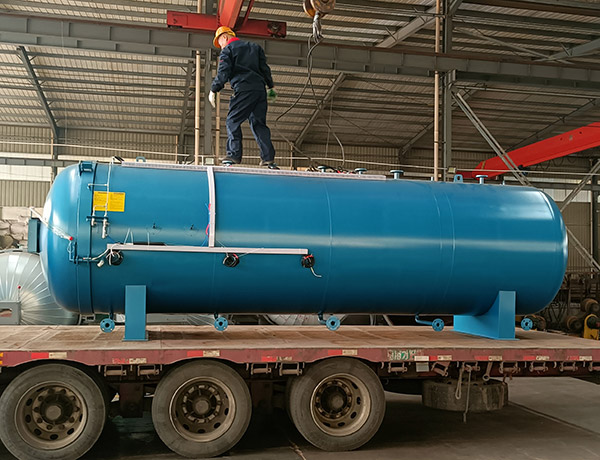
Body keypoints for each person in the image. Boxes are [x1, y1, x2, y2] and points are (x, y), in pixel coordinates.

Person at [208, 26, 278, 167]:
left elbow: (223, 72)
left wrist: (214, 89)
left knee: (232, 120)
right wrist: (271, 86)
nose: (221, 47)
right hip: (260, 91)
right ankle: (268, 158)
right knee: (259, 124)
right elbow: (265, 69)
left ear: (225, 37)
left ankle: (234, 154)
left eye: (220, 43)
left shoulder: (228, 50)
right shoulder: (255, 47)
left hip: (244, 89)